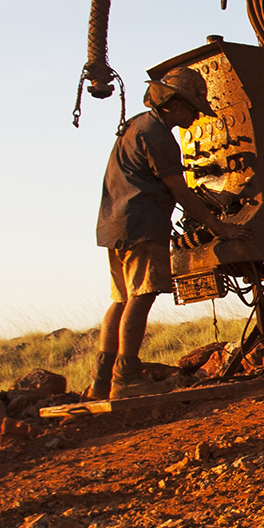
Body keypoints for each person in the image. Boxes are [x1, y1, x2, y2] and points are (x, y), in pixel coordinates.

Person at [92, 67, 224, 401]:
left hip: (114, 224)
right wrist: (219, 226)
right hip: (143, 225)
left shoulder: (136, 125)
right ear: (175, 103)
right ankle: (126, 378)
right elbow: (181, 192)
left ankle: (101, 380)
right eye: (193, 107)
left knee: (120, 300)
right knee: (142, 296)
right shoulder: (160, 137)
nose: (196, 116)